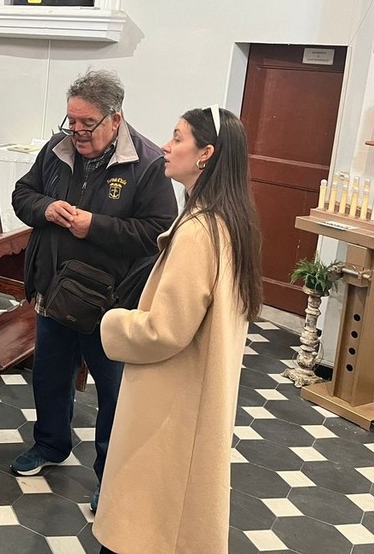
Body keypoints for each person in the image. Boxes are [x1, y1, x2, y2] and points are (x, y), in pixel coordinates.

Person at [94, 107, 263, 554]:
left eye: (177, 137)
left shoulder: (198, 230)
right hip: (197, 393)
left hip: (172, 400)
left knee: (144, 527)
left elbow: (165, 331)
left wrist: (113, 323)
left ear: (206, 153)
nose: (166, 147)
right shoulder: (231, 219)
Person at [10, 70, 177, 513]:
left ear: (115, 119)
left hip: (111, 304)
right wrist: (47, 207)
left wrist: (95, 226)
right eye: (72, 121)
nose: (78, 132)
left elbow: (159, 232)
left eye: (88, 123)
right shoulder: (57, 149)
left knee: (114, 393)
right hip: (53, 291)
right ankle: (50, 445)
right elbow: (22, 194)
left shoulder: (147, 164)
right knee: (49, 376)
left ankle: (111, 477)